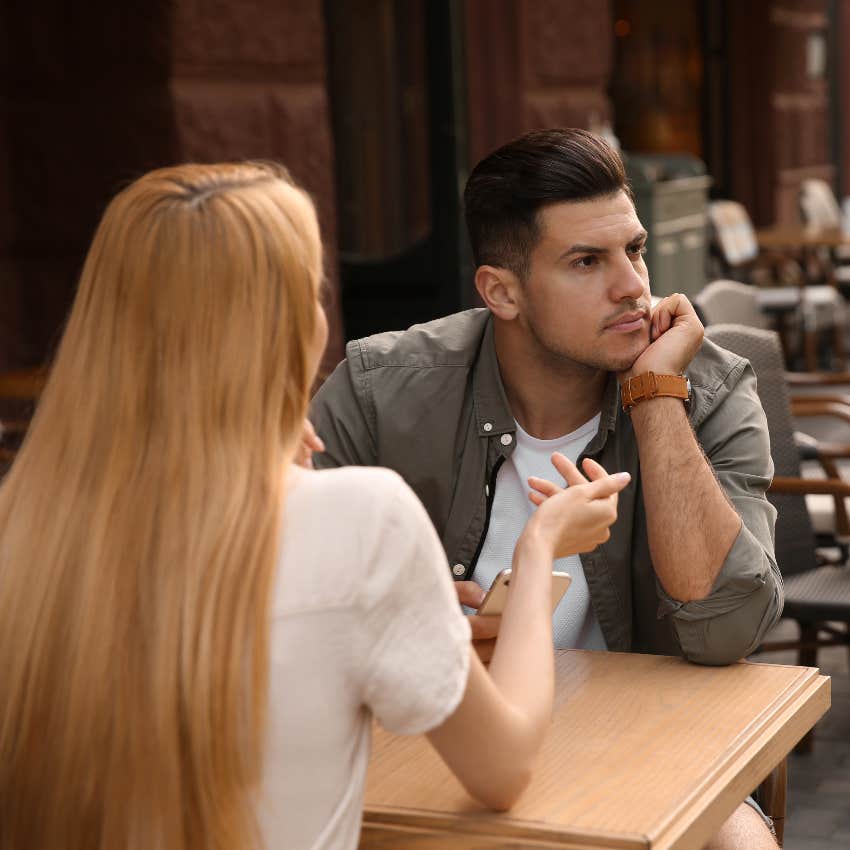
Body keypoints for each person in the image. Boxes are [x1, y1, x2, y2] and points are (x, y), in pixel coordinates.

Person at [0, 162, 631, 850]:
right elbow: (504, 767)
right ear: (288, 327)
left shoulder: (26, 523)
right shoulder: (361, 520)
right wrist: (539, 551)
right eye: (313, 292)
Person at [310, 129, 782, 848]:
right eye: (587, 261)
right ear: (501, 291)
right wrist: (410, 622)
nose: (632, 285)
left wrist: (655, 395)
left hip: (647, 747)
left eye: (636, 249)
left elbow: (727, 631)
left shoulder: (707, 388)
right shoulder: (381, 391)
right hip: (438, 745)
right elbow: (277, 593)